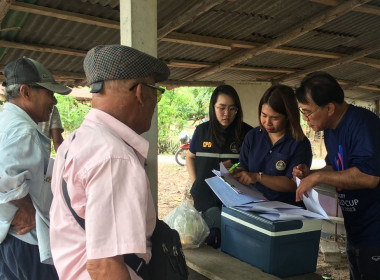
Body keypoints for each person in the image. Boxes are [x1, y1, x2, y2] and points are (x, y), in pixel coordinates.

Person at [49, 45, 170, 280]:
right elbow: (105, 267)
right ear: (140, 92)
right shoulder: (114, 157)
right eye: (156, 91)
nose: (156, 101)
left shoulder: (74, 142)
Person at [292, 71, 380, 280]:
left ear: (330, 108)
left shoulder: (363, 124)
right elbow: (336, 168)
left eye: (308, 112)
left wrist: (318, 178)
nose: (305, 119)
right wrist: (312, 174)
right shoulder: (331, 129)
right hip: (356, 227)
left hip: (375, 229)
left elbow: (369, 177)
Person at [0, 57, 71, 279]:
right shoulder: (24, 131)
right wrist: (27, 210)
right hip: (27, 240)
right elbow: (4, 178)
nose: (54, 101)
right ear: (26, 92)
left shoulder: (6, 121)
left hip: (8, 236)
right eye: (49, 93)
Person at [186, 85, 252, 246]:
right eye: (221, 108)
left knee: (232, 245)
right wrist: (196, 182)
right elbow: (190, 157)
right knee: (204, 242)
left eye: (232, 109)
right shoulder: (202, 131)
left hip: (234, 200)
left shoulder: (247, 133)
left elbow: (251, 166)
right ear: (213, 107)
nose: (226, 114)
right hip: (203, 197)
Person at [231, 85, 312, 206]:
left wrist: (258, 177)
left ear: (288, 117)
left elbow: (292, 184)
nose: (267, 122)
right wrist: (234, 172)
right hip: (253, 205)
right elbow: (244, 167)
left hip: (286, 210)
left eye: (275, 118)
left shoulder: (299, 143)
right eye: (264, 115)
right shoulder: (252, 136)